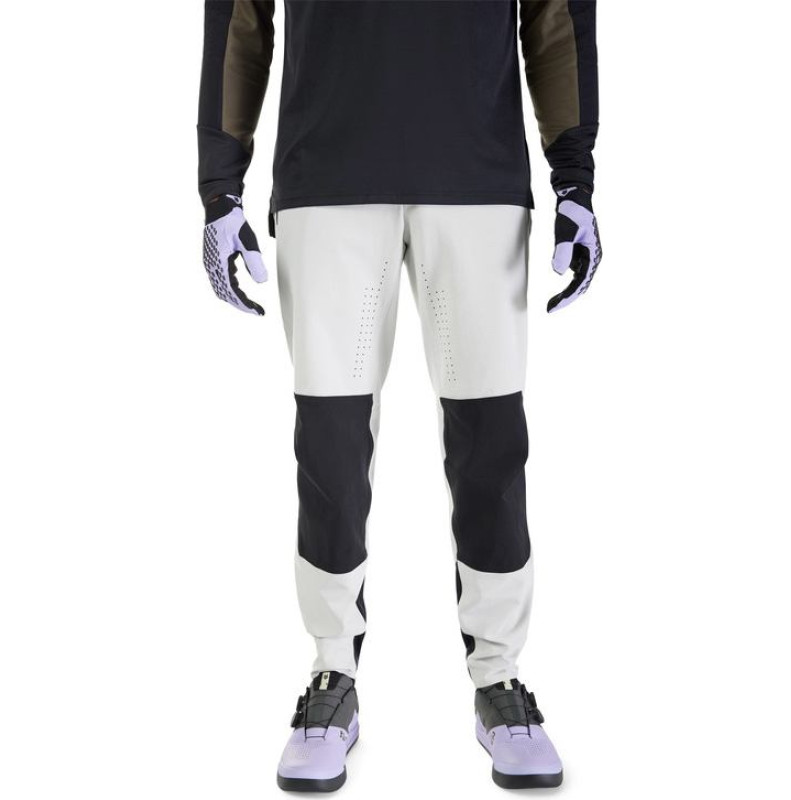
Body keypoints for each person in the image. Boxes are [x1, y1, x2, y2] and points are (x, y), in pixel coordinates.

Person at [197, 0, 601, 791]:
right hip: (328, 178)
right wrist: (220, 185)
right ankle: (332, 673)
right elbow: (240, 14)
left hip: (476, 180)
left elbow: (556, 14)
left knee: (492, 442)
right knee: (330, 446)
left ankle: (499, 676)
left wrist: (576, 179)